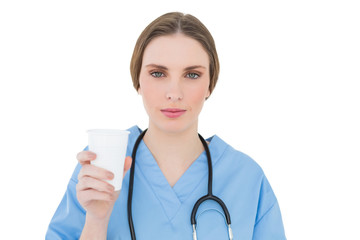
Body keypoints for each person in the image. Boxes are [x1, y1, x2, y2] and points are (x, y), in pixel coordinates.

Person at [46, 12, 286, 239]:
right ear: (137, 80)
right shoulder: (103, 167)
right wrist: (97, 219)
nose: (174, 93)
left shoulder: (246, 178)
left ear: (210, 84)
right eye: (158, 73)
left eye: (191, 75)